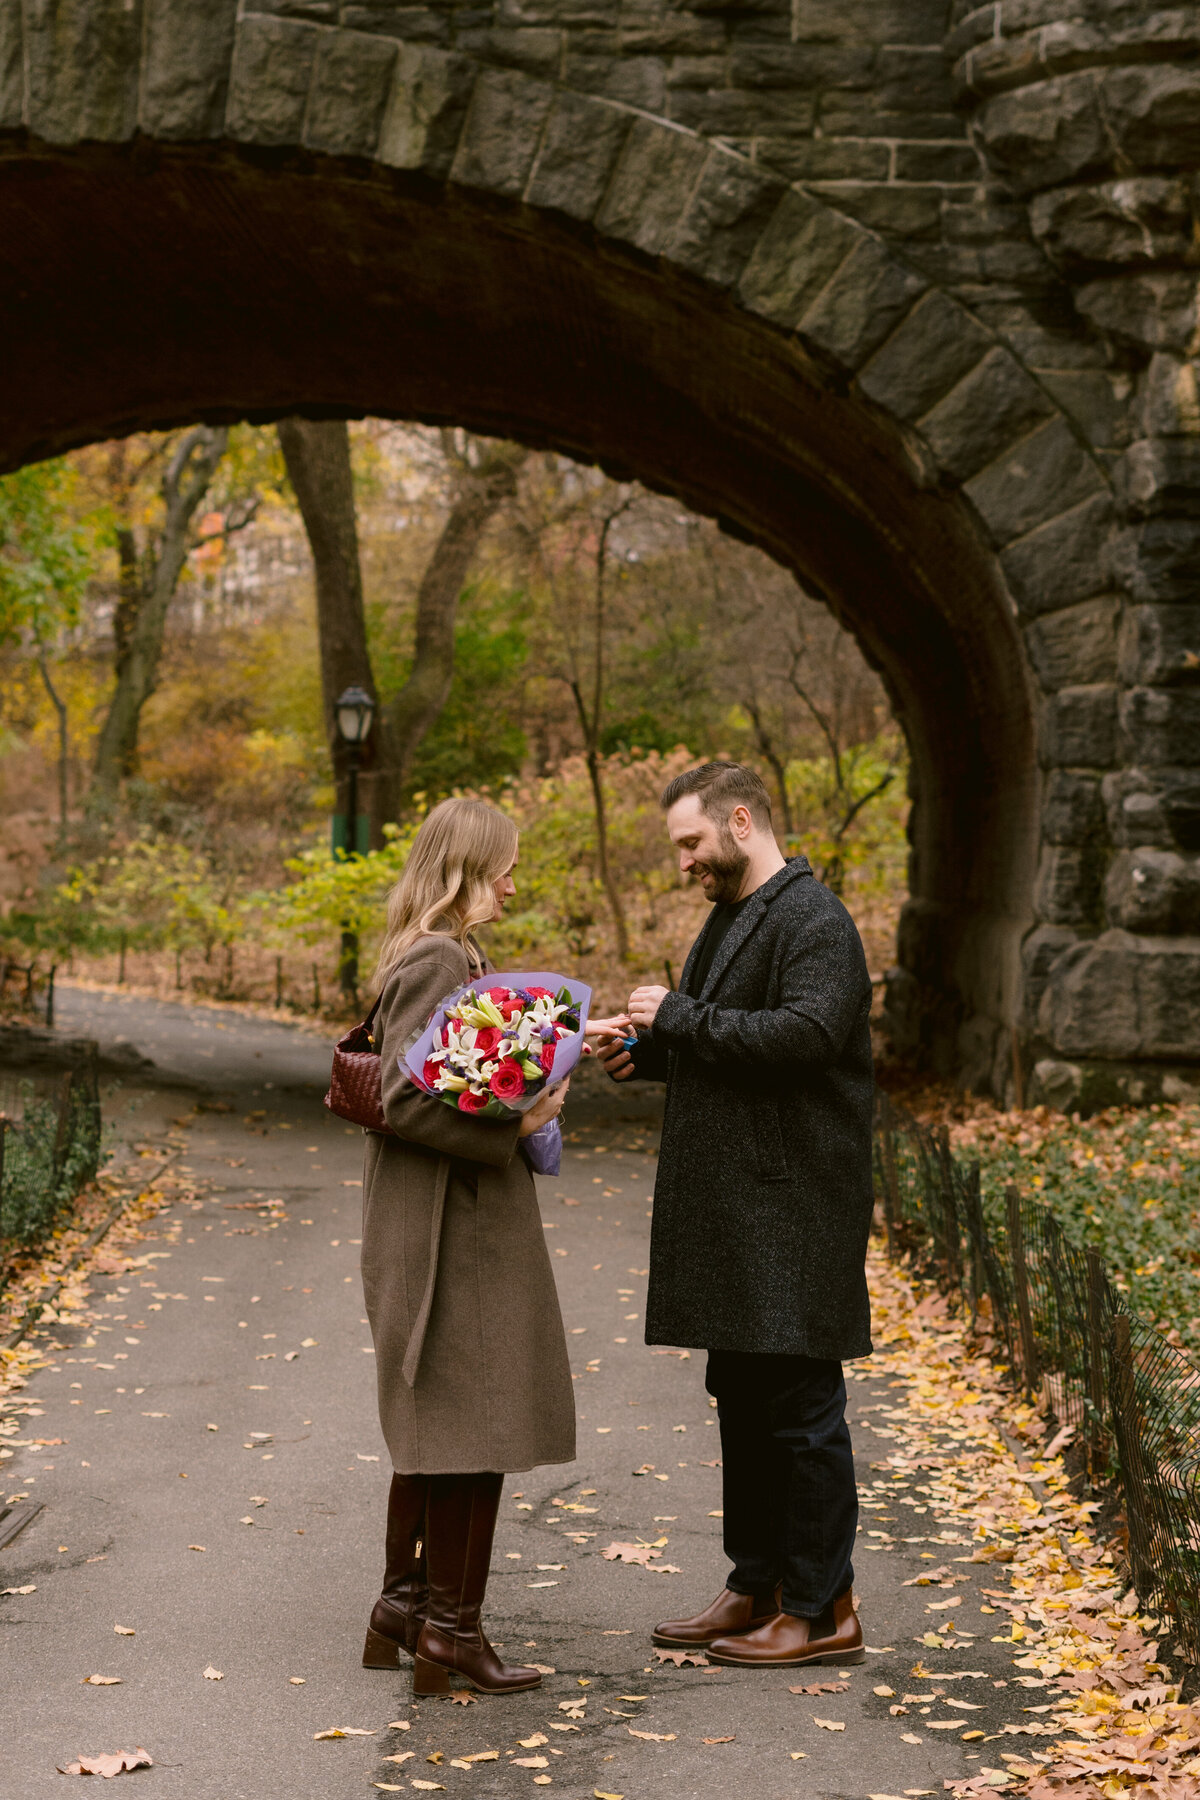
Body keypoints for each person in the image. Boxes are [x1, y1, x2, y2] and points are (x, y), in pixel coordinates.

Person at [595, 762, 874, 1668]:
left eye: (692, 842)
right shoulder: (731, 916)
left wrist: (680, 1019)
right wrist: (655, 1053)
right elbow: (737, 1040)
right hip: (742, 1207)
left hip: (793, 1206)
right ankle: (757, 1584)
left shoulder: (816, 921)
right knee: (745, 1400)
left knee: (801, 1409)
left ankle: (824, 1609)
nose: (684, 862)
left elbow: (806, 1038)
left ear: (742, 821)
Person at [359, 796, 575, 1696]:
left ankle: (407, 1609)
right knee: (472, 1424)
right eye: (505, 868)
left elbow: (452, 1074)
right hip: (450, 1226)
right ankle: (451, 1630)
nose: (513, 885)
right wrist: (515, 1122)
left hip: (454, 1217)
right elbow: (401, 1098)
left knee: (448, 1420)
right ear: (468, 869)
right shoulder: (439, 956)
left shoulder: (445, 952)